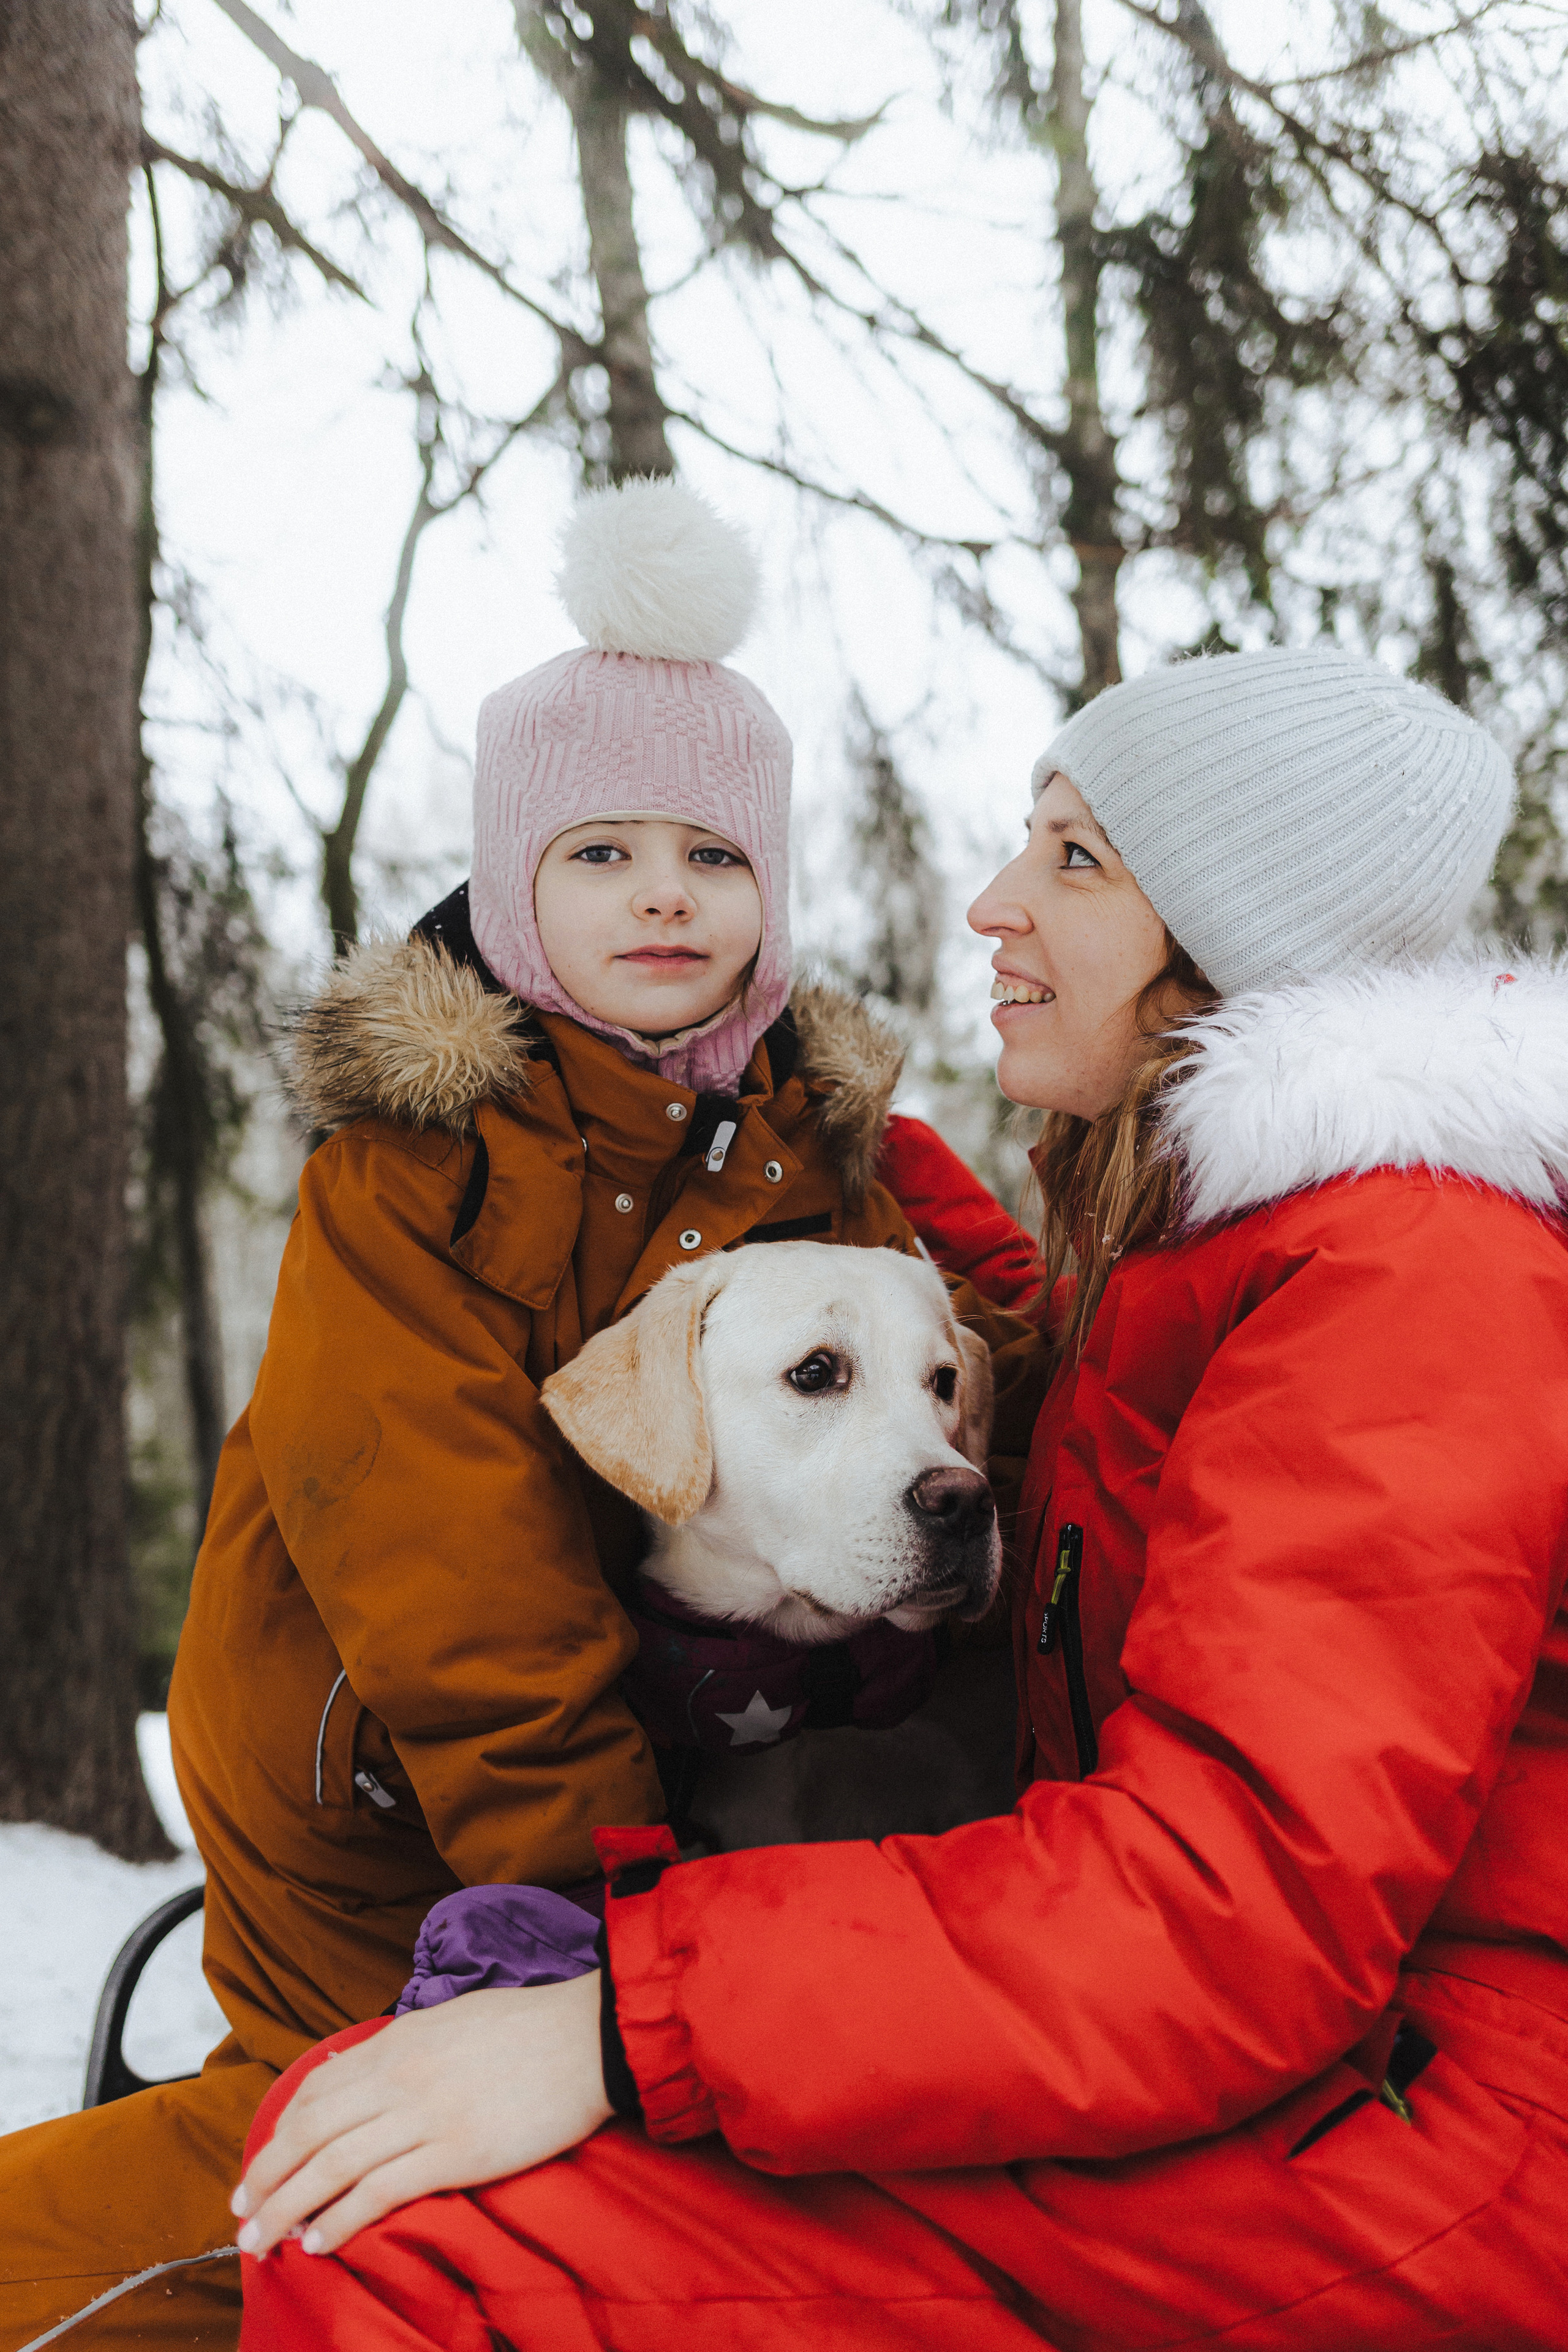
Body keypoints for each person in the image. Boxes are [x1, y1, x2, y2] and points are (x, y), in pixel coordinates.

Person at [234, 646, 1568, 2351]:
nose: (993, 904)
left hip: (1431, 2137)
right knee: (359, 2154)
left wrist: (627, 2022)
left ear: (1232, 931)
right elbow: (1010, 1377)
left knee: (405, 2239)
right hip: (1274, 2061)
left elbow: (1235, 1904)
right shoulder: (1195, 1250)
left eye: (1074, 858)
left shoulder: (1413, 1280)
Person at [0, 479, 1041, 2352]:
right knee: (334, 2157)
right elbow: (447, 1570)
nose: (666, 892)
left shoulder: (821, 1162)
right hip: (377, 1777)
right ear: (509, 891)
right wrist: (594, 1931)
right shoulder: (417, 1177)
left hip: (664, 1790)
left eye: (716, 858)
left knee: (622, 2189)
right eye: (602, 851)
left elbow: (959, 1381)